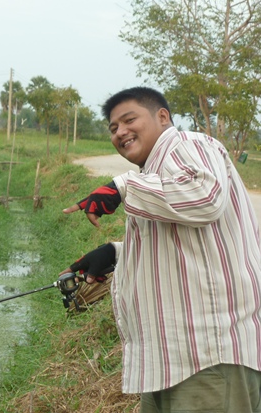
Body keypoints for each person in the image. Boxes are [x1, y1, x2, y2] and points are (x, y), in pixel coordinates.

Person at [62, 86, 261, 412]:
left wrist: (121, 187)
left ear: (163, 117)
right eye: (113, 128)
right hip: (171, 363)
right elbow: (185, 246)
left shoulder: (188, 144)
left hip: (208, 359)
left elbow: (206, 195)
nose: (120, 132)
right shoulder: (157, 175)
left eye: (129, 120)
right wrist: (114, 253)